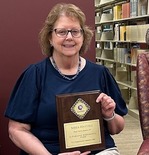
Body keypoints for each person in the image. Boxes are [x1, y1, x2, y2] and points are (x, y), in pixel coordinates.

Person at [5, 3, 128, 155]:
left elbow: (117, 128)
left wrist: (109, 115)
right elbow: (16, 130)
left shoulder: (100, 73)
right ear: (50, 37)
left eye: (75, 31)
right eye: (62, 32)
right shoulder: (34, 75)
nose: (69, 37)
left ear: (83, 36)